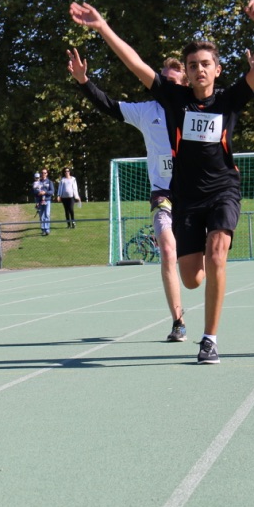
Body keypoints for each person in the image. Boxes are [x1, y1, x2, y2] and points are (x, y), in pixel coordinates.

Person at [69, 0, 254, 364]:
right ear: (187, 73)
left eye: (205, 64)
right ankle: (205, 273)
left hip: (223, 190)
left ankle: (209, 339)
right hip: (185, 197)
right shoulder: (173, 100)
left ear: (217, 70)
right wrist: (102, 28)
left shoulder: (229, 100)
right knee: (192, 279)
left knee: (217, 253)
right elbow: (136, 64)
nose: (199, 70)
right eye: (193, 65)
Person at [67, 52, 190, 342]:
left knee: (195, 271)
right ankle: (178, 321)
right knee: (167, 251)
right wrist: (84, 81)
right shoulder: (147, 111)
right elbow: (109, 105)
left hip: (193, 195)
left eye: (172, 82)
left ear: (184, 85)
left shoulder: (195, 109)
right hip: (163, 195)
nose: (165, 86)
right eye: (162, 80)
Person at [32, 169, 55, 235]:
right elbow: (34, 191)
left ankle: (47, 229)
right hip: (40, 201)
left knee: (47, 214)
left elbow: (52, 191)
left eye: (45, 173)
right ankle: (43, 230)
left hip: (47, 200)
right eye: (42, 173)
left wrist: (45, 192)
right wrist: (38, 193)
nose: (43, 174)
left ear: (47, 174)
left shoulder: (49, 182)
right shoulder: (38, 181)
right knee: (41, 215)